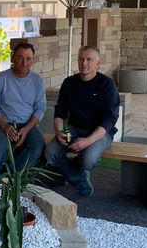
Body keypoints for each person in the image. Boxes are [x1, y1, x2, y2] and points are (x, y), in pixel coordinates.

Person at [45, 46, 119, 197]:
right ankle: (79, 178)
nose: (84, 63)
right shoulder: (69, 83)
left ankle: (76, 169)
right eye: (81, 59)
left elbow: (109, 119)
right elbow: (60, 112)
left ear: (98, 64)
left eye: (89, 59)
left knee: (88, 160)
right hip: (74, 128)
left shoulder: (107, 84)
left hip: (100, 132)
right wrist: (59, 131)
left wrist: (88, 141)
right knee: (50, 153)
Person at [0, 42, 47, 173]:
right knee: (0, 148)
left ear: (32, 60)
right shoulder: (1, 78)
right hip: (5, 124)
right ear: (13, 58)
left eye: (28, 59)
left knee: (38, 146)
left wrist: (26, 129)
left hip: (28, 125)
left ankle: (9, 175)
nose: (24, 63)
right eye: (20, 58)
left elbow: (41, 107)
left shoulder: (37, 81)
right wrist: (4, 126)